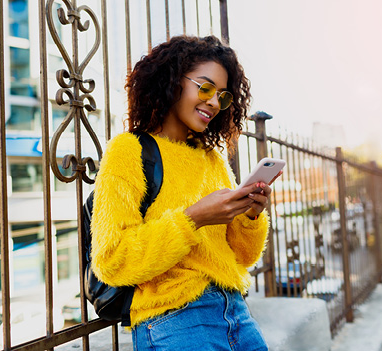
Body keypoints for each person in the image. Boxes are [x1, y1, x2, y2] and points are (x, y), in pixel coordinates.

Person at [91, 35, 279, 351]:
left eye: (223, 96)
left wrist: (251, 213)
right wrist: (193, 219)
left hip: (236, 314)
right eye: (205, 88)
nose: (215, 103)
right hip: (174, 320)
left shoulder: (212, 160)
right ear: (171, 81)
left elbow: (242, 258)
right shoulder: (129, 151)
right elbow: (112, 260)